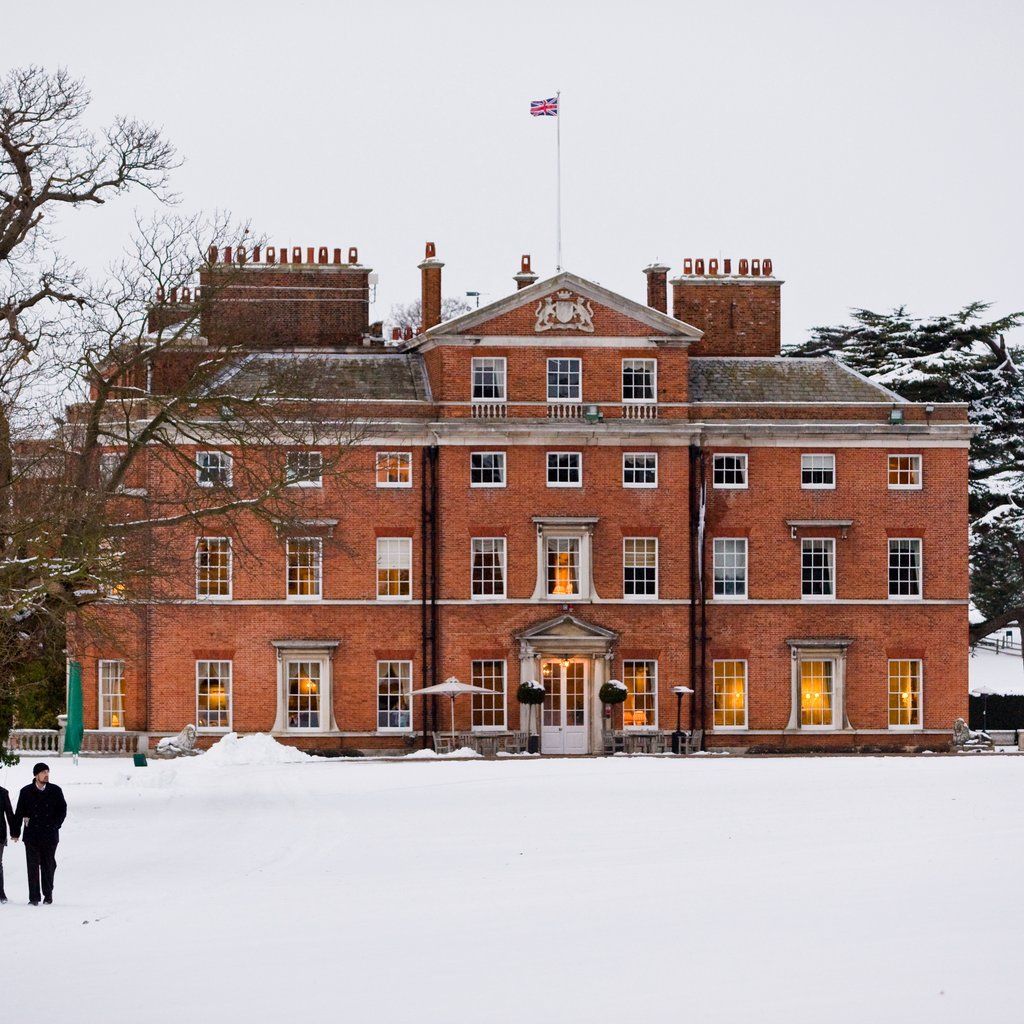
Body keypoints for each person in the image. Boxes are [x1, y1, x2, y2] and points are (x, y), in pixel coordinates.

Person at [12, 762, 67, 906]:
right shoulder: (26, 791)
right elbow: (19, 812)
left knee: (48, 865)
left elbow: (62, 810)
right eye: (43, 772)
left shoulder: (55, 790)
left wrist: (55, 825)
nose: (46, 775)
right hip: (32, 835)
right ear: (36, 775)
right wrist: (15, 832)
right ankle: (34, 898)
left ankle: (48, 894)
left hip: (50, 835)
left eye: (47, 772)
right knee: (32, 867)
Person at [0, 783, 15, 904]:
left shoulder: (3, 793)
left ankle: (1, 894)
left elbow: (9, 813)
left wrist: (14, 832)